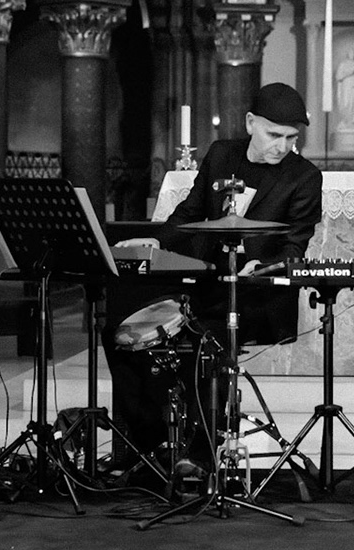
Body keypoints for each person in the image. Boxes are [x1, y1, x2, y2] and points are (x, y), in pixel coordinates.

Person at [107, 83, 324, 474]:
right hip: (205, 283)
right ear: (251, 123)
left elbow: (294, 247)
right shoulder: (222, 154)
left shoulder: (304, 177)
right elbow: (190, 213)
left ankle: (200, 455)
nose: (283, 146)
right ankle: (151, 443)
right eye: (274, 135)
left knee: (207, 339)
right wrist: (157, 240)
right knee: (120, 327)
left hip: (256, 295)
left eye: (291, 138)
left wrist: (262, 266)